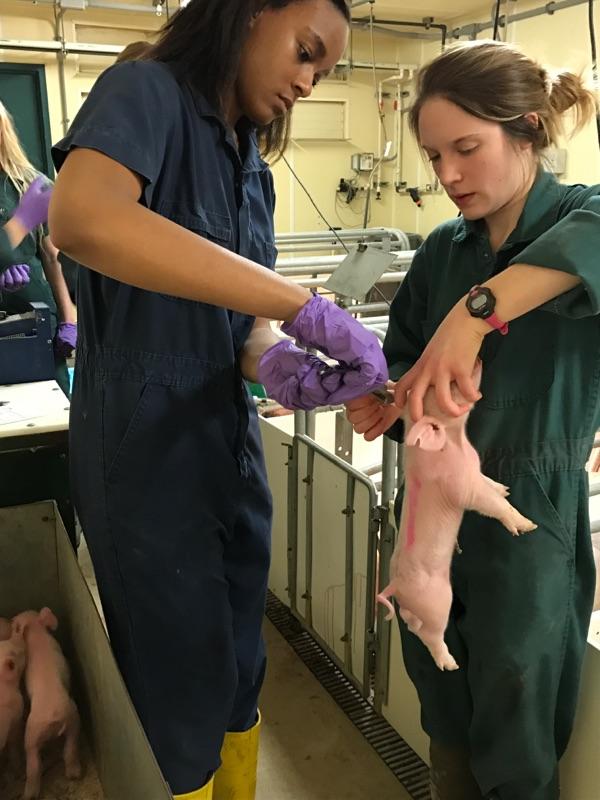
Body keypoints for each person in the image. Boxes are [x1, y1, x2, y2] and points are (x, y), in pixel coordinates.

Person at [49, 2, 387, 799]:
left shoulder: (250, 169)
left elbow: (245, 331)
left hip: (226, 444)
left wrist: (280, 366)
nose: (308, 82)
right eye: (305, 53)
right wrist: (301, 302)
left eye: (324, 72)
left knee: (239, 661)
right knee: (177, 685)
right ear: (246, 14)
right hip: (144, 448)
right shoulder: (144, 93)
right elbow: (83, 217)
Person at [347, 40, 599, 800]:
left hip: (530, 512)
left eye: (467, 148)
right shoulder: (440, 253)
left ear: (526, 130)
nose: (448, 176)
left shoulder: (582, 216)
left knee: (518, 705)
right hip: (428, 505)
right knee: (442, 697)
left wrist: (477, 312)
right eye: (433, 156)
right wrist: (380, 400)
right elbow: (401, 372)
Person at [0, 102, 77, 395]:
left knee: (51, 413)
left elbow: (52, 256)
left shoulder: (30, 183)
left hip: (37, 323)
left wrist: (68, 319)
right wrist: (19, 223)